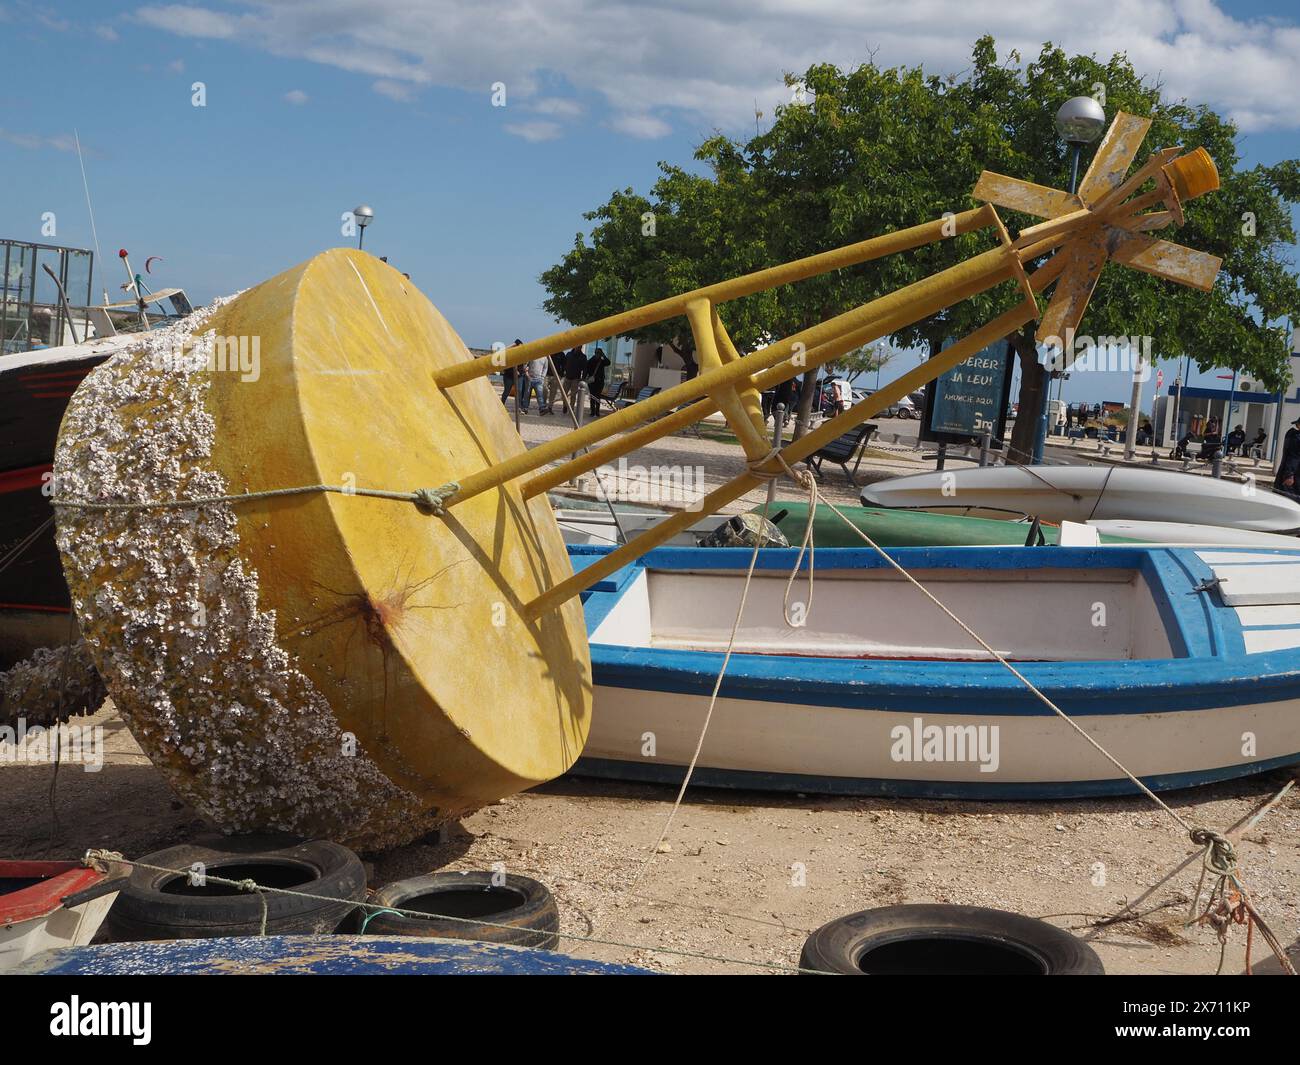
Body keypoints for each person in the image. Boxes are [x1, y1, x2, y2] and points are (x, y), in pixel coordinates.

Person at [1274, 416, 1300, 499]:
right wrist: (1289, 475)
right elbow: (1293, 457)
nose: (1297, 426)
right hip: (1293, 476)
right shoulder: (1296, 438)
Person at [519, 343, 549, 415]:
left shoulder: (545, 358)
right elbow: (525, 365)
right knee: (527, 394)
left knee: (540, 394)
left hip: (539, 379)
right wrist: (527, 375)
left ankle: (542, 409)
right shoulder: (532, 355)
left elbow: (545, 368)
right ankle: (525, 408)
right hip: (529, 379)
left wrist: (542, 377)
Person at [585, 346, 611, 417]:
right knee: (593, 397)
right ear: (595, 353)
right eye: (597, 353)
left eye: (599, 353)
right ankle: (593, 411)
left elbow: (608, 363)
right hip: (592, 382)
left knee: (598, 396)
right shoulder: (591, 360)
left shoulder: (602, 361)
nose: (597, 354)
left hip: (600, 381)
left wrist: (604, 356)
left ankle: (597, 412)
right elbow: (587, 368)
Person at [560, 344, 586, 413]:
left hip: (576, 379)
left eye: (580, 347)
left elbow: (585, 369)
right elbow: (564, 364)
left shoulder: (583, 357)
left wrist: (583, 378)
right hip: (567, 377)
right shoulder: (568, 354)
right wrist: (563, 372)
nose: (579, 348)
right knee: (564, 394)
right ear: (574, 346)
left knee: (573, 395)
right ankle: (565, 405)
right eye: (578, 346)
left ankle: (571, 409)